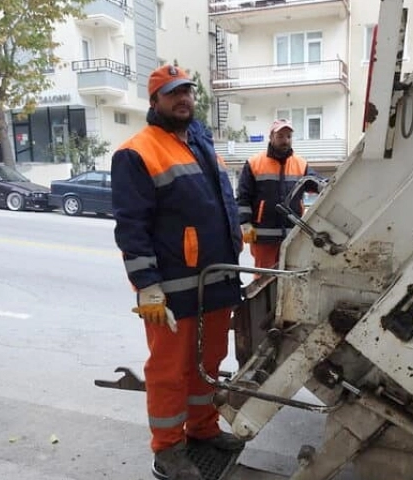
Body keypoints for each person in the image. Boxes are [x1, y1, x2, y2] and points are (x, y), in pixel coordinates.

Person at [110, 64, 245, 480]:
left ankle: (203, 430)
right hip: (172, 289)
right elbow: (132, 229)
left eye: (186, 91)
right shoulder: (136, 152)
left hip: (217, 281)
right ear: (155, 102)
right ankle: (168, 450)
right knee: (169, 372)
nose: (182, 98)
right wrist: (148, 288)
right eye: (172, 93)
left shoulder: (202, 143)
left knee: (209, 363)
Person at [236, 119, 320, 269]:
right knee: (264, 279)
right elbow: (244, 197)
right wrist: (245, 223)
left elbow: (318, 184)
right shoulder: (254, 163)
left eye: (288, 136)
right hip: (263, 237)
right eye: (280, 136)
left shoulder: (301, 164)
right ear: (271, 137)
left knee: (291, 278)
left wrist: (335, 182)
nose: (285, 140)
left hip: (293, 236)